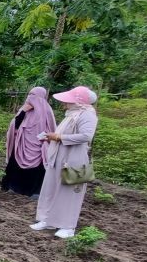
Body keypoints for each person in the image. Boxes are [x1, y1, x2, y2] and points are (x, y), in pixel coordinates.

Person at [30, 86, 98, 239]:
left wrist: (59, 137)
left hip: (75, 157)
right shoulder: (71, 114)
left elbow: (86, 136)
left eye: (68, 101)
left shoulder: (87, 115)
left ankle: (67, 226)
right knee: (51, 188)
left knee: (70, 191)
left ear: (78, 102)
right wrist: (52, 137)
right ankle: (47, 220)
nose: (64, 104)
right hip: (59, 156)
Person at [1, 86, 57, 197]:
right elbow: (15, 125)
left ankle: (34, 192)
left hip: (39, 148)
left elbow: (52, 128)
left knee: (37, 170)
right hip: (21, 145)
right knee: (16, 166)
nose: (30, 98)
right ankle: (13, 187)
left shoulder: (47, 111)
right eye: (29, 95)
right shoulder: (25, 109)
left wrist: (47, 138)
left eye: (33, 95)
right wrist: (23, 111)